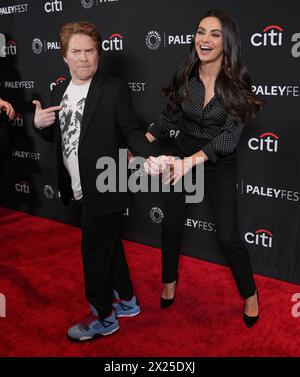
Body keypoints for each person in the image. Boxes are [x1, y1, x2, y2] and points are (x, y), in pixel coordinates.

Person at [33, 21, 151, 342]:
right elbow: (59, 134)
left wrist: (147, 156)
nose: (84, 58)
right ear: (65, 57)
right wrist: (40, 125)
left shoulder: (113, 89)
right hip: (77, 187)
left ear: (98, 54)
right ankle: (126, 300)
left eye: (90, 51)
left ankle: (103, 316)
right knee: (107, 246)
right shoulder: (60, 90)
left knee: (94, 255)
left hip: (105, 185)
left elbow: (131, 131)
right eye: (77, 52)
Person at [145, 9, 263, 328]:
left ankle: (250, 294)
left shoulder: (236, 83)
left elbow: (229, 138)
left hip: (216, 164)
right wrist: (141, 141)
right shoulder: (186, 74)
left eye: (214, 34)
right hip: (181, 155)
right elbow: (170, 117)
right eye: (200, 32)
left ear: (228, 42)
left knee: (227, 237)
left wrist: (189, 162)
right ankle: (169, 280)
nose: (205, 39)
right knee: (170, 226)